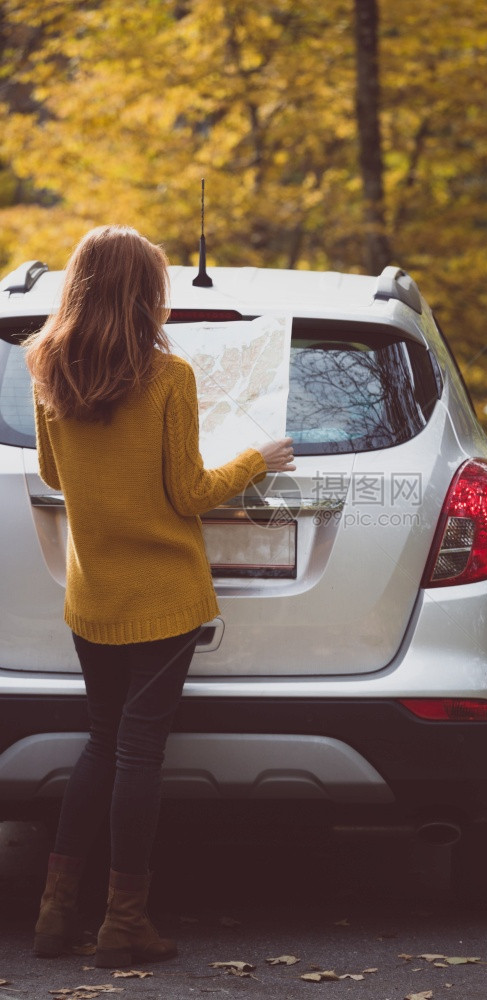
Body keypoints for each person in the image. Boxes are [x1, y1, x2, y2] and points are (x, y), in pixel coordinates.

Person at [24, 225, 295, 968]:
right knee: (139, 753)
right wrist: (256, 458)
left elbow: (53, 476)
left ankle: (53, 915)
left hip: (95, 596)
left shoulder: (47, 373)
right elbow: (189, 493)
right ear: (146, 294)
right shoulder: (167, 378)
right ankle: (123, 924)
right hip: (165, 600)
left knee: (102, 743)